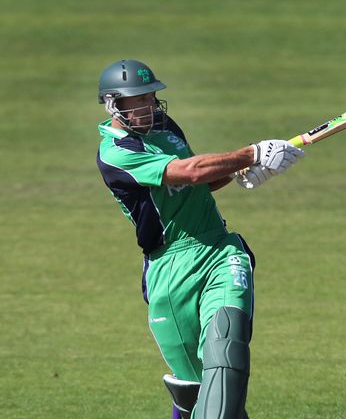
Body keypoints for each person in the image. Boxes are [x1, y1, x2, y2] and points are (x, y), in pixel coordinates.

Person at [96, 59, 304, 418]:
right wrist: (252, 152)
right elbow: (186, 171)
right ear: (114, 104)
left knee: (226, 353)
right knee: (194, 393)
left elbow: (199, 182)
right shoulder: (115, 153)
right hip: (168, 270)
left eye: (151, 97)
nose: (149, 106)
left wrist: (242, 169)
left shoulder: (166, 128)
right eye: (138, 100)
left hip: (218, 251)